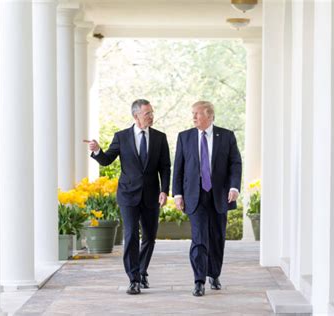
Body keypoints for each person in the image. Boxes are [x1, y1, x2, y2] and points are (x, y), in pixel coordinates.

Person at [84, 99, 171, 295]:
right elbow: (106, 160)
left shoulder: (160, 137)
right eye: (147, 113)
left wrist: (164, 190)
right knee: (131, 235)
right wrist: (97, 150)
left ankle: (141, 270)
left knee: (149, 237)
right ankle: (134, 279)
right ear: (136, 116)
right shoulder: (121, 137)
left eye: (152, 112)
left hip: (151, 195)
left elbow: (165, 167)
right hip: (128, 195)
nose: (151, 116)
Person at [172, 101, 242, 297]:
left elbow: (235, 163)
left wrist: (234, 186)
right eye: (192, 113)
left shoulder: (226, 136)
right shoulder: (184, 137)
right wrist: (177, 194)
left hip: (219, 194)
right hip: (194, 195)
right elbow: (178, 167)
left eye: (197, 114)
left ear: (210, 116)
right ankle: (199, 280)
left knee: (217, 237)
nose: (193, 117)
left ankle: (214, 273)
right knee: (199, 237)